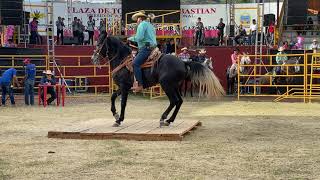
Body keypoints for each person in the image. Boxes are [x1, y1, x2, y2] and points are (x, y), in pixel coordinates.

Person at [128, 11, 157, 92]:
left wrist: (130, 38)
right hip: (153, 48)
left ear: (139, 19)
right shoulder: (150, 25)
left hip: (146, 48)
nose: (136, 22)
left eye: (136, 20)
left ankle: (140, 85)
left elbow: (139, 38)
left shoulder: (142, 24)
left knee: (135, 64)